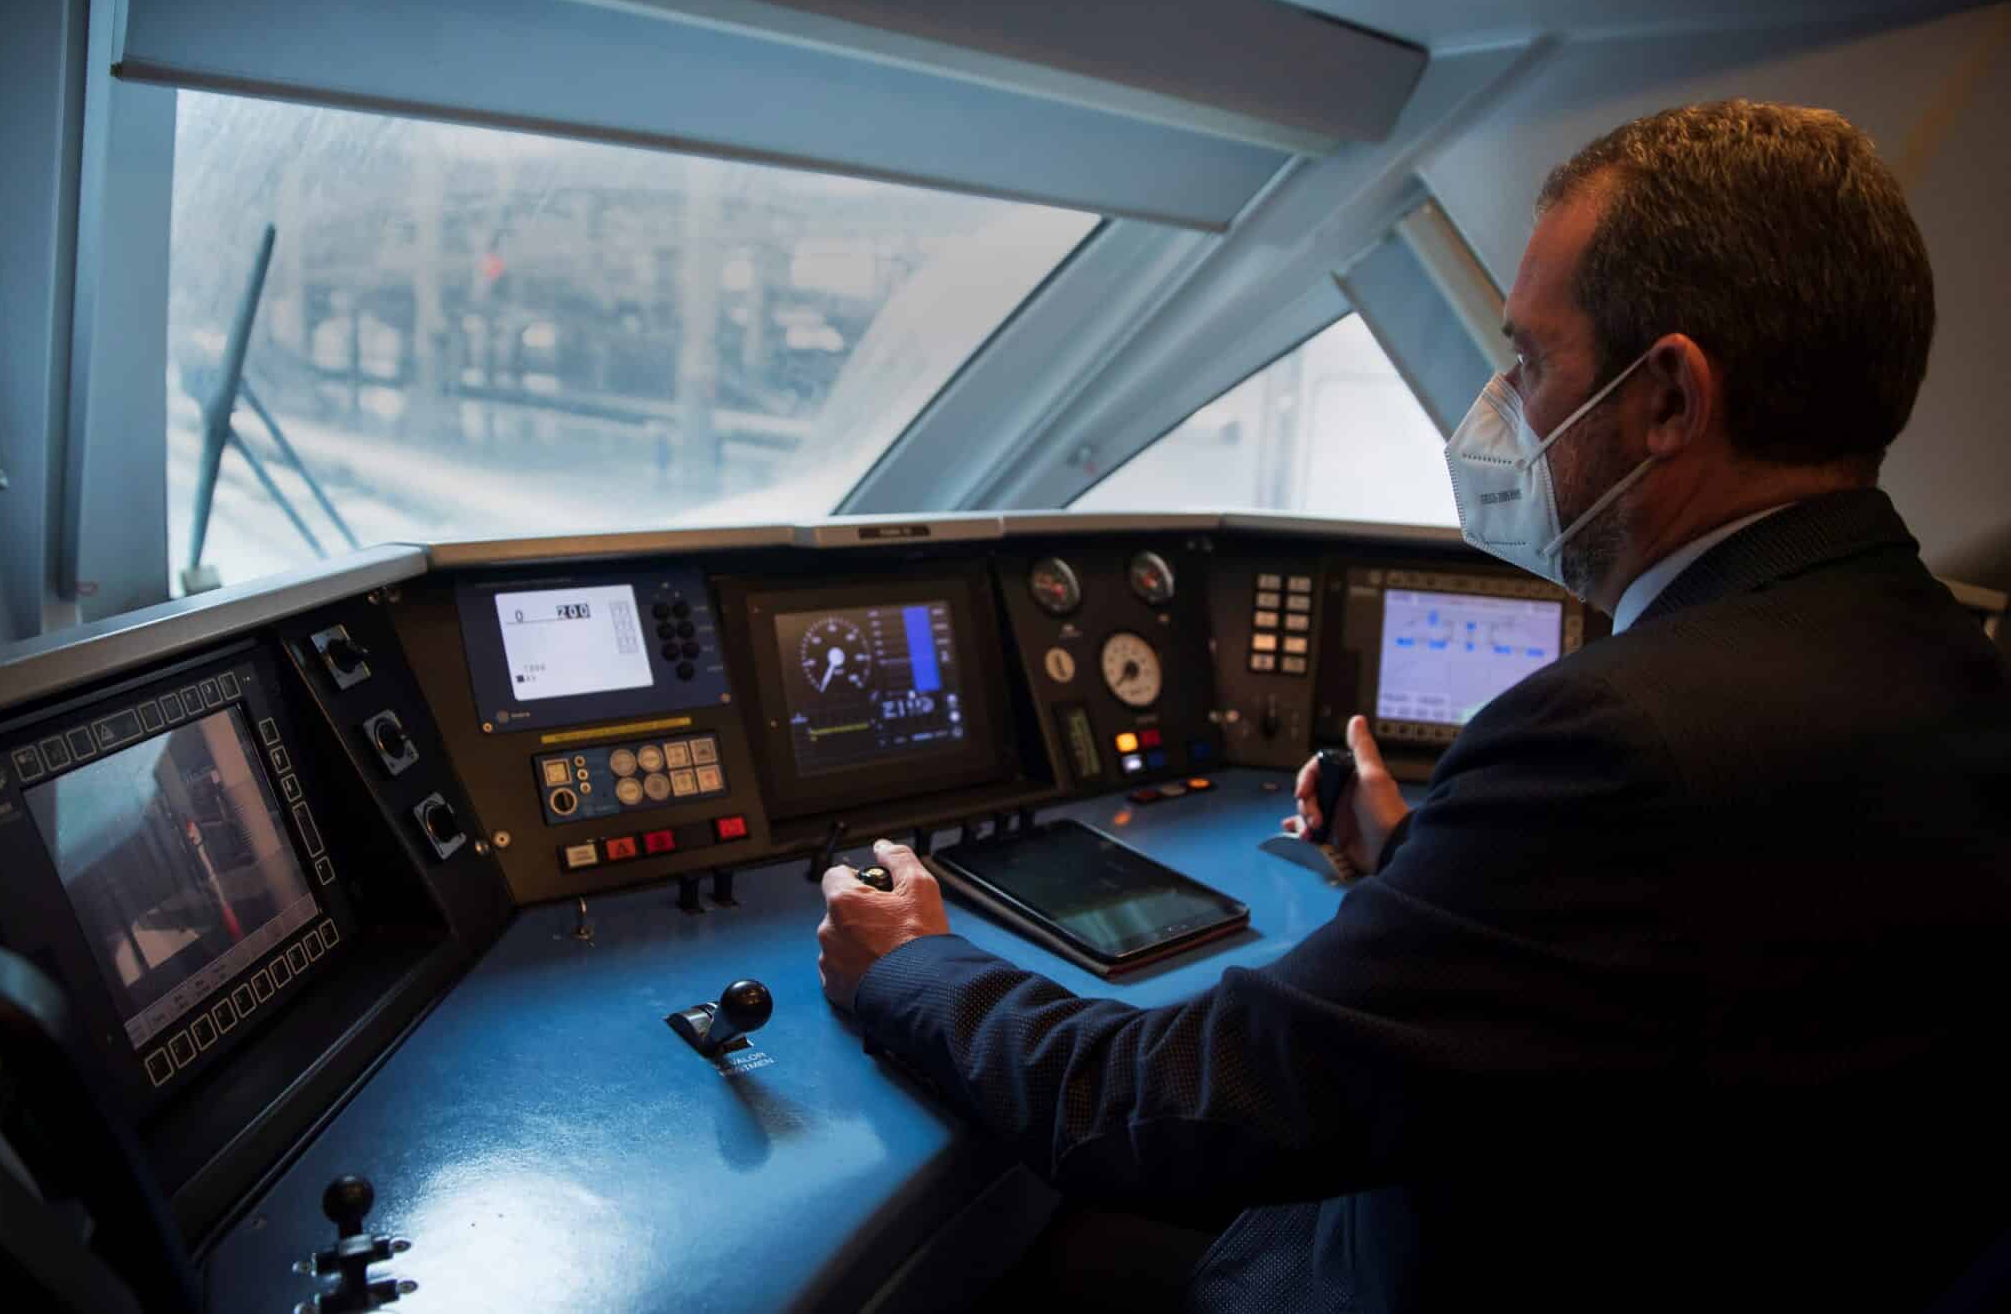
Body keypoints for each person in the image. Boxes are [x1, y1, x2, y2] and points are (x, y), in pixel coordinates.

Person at [815, 101, 2011, 1312]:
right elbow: (1681, 974)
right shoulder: (1950, 667)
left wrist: (913, 967)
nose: (1504, 407)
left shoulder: (1616, 744)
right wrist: (1426, 874)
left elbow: (1162, 1109)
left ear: (1666, 401)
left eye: (1532, 361)